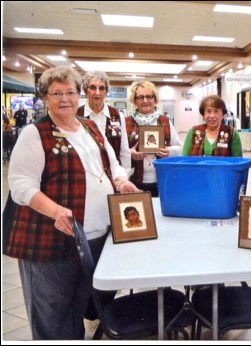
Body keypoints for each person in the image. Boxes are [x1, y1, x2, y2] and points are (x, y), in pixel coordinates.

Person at [4, 65, 141, 340]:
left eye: (69, 92)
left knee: (78, 307)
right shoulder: (35, 133)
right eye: (56, 93)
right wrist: (54, 211)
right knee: (53, 316)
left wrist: (120, 180)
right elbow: (20, 186)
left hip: (92, 238)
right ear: (45, 98)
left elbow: (110, 163)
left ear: (78, 95)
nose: (64, 98)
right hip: (51, 242)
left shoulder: (88, 126)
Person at [126, 80, 183, 197]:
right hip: (134, 180)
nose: (145, 101)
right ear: (134, 100)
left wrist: (169, 151)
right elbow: (119, 152)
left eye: (149, 97)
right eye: (140, 97)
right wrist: (130, 153)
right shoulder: (126, 122)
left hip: (162, 180)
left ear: (155, 99)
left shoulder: (165, 121)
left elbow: (180, 149)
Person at [77, 70, 132, 175]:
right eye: (93, 87)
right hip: (86, 174)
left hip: (114, 174)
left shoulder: (117, 115)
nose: (97, 92)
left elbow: (124, 151)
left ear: (106, 92)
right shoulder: (76, 115)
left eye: (101, 88)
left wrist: (125, 176)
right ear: (85, 90)